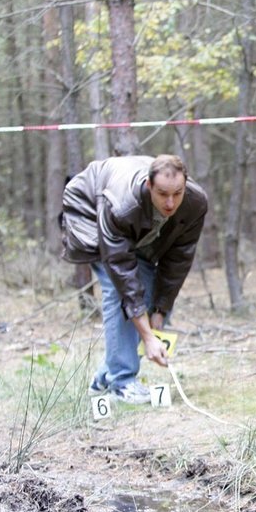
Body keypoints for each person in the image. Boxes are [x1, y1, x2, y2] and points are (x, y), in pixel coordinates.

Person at [61, 154, 208, 404]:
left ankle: (103, 379)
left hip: (138, 232)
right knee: (120, 291)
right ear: (149, 185)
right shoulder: (121, 206)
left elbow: (178, 259)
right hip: (88, 210)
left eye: (177, 193)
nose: (171, 203)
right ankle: (122, 382)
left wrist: (160, 310)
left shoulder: (195, 203)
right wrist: (148, 337)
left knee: (148, 300)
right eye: (163, 194)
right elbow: (124, 278)